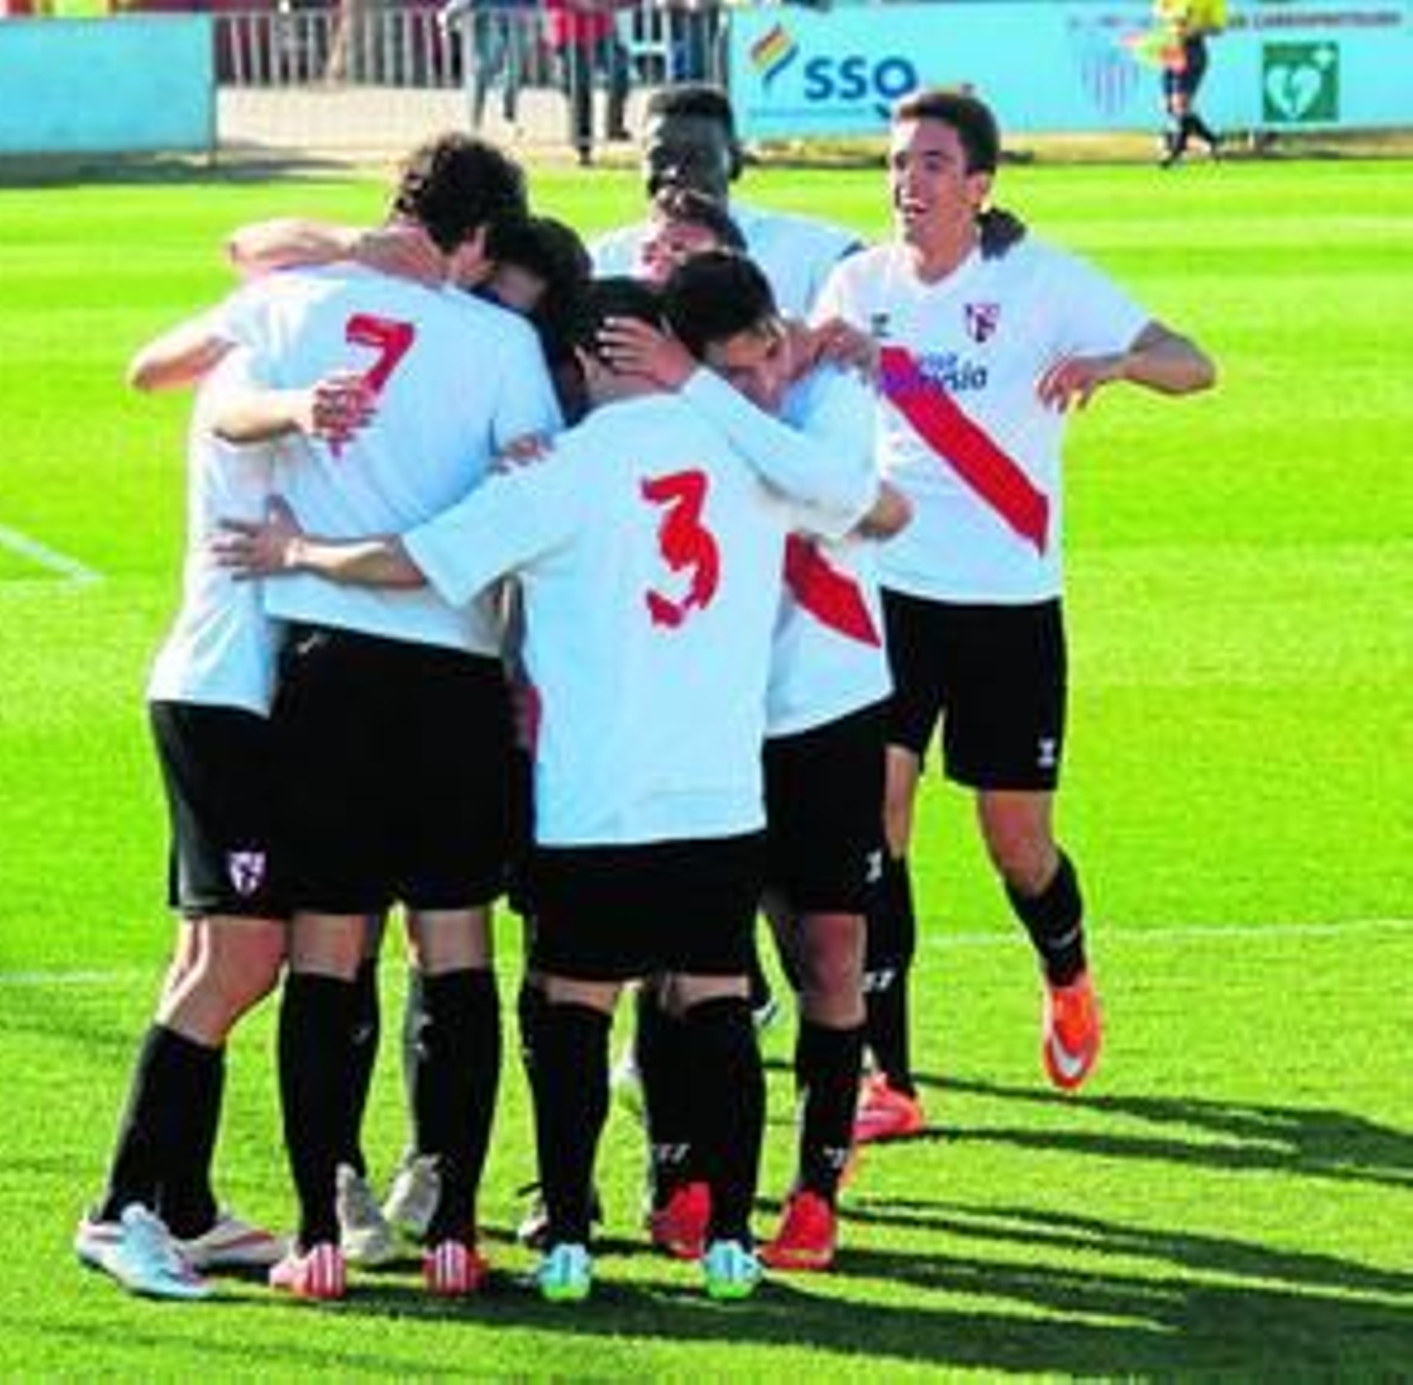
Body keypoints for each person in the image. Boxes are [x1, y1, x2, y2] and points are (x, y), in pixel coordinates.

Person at [213, 276, 896, 1303]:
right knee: (714, 998)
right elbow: (875, 505)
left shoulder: (564, 470)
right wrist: (710, 397)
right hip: (717, 794)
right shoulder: (746, 455)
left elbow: (415, 560)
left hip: (595, 797)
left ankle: (568, 1232)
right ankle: (731, 1240)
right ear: (662, 348)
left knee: (574, 1004)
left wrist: (294, 548)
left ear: (580, 361)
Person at [813, 88, 1216, 1136]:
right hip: (893, 595)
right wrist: (820, 352)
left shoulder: (1041, 282)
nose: (910, 182)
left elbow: (1194, 362)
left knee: (1015, 844)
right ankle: (887, 1080)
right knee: (875, 825)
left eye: (934, 164)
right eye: (900, 162)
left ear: (980, 185)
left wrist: (1117, 364)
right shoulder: (857, 284)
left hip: (1008, 610)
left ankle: (1065, 968)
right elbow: (787, 376)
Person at [205, 133, 565, 1301]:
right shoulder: (501, 338)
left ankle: (322, 1225)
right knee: (452, 942)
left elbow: (193, 359)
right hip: (451, 671)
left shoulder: (297, 301)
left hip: (321, 668)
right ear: (474, 241)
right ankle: (453, 1219)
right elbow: (523, 493)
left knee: (328, 943)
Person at [597, 251, 911, 1272]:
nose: (747, 390)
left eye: (752, 367)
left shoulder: (832, 394)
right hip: (712, 719)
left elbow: (830, 496)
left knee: (828, 950)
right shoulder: (685, 408)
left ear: (780, 338)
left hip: (829, 711)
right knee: (688, 954)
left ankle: (816, 1189)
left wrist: (698, 392)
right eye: (720, 375)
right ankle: (675, 1169)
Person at [72, 352, 296, 1302]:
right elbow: (225, 405)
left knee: (202, 955)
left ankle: (187, 1205)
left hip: (223, 690)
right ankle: (120, 1209)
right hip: (222, 696)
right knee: (242, 961)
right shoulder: (264, 358)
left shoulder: (286, 337)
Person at [590, 82, 862, 318]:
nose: (674, 172)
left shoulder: (813, 252)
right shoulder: (603, 260)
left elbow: (889, 351)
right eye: (660, 156)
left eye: (697, 158)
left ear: (735, 163)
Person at [542, 0, 631, 167]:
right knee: (579, 92)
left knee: (621, 75)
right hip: (570, 36)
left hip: (604, 33)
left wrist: (606, 5)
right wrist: (581, 4)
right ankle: (583, 150)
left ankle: (613, 127)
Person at [441, 0, 532, 138]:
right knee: (481, 70)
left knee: (514, 70)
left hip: (515, 15)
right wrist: (450, 15)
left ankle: (508, 116)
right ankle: (474, 123)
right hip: (485, 14)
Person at [1154, 0, 1225, 167]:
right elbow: (1159, 10)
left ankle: (1176, 151)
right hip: (1171, 48)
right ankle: (1212, 140)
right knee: (1170, 106)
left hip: (1193, 49)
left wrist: (1194, 29)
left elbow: (1218, 28)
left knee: (1180, 104)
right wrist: (1174, 19)